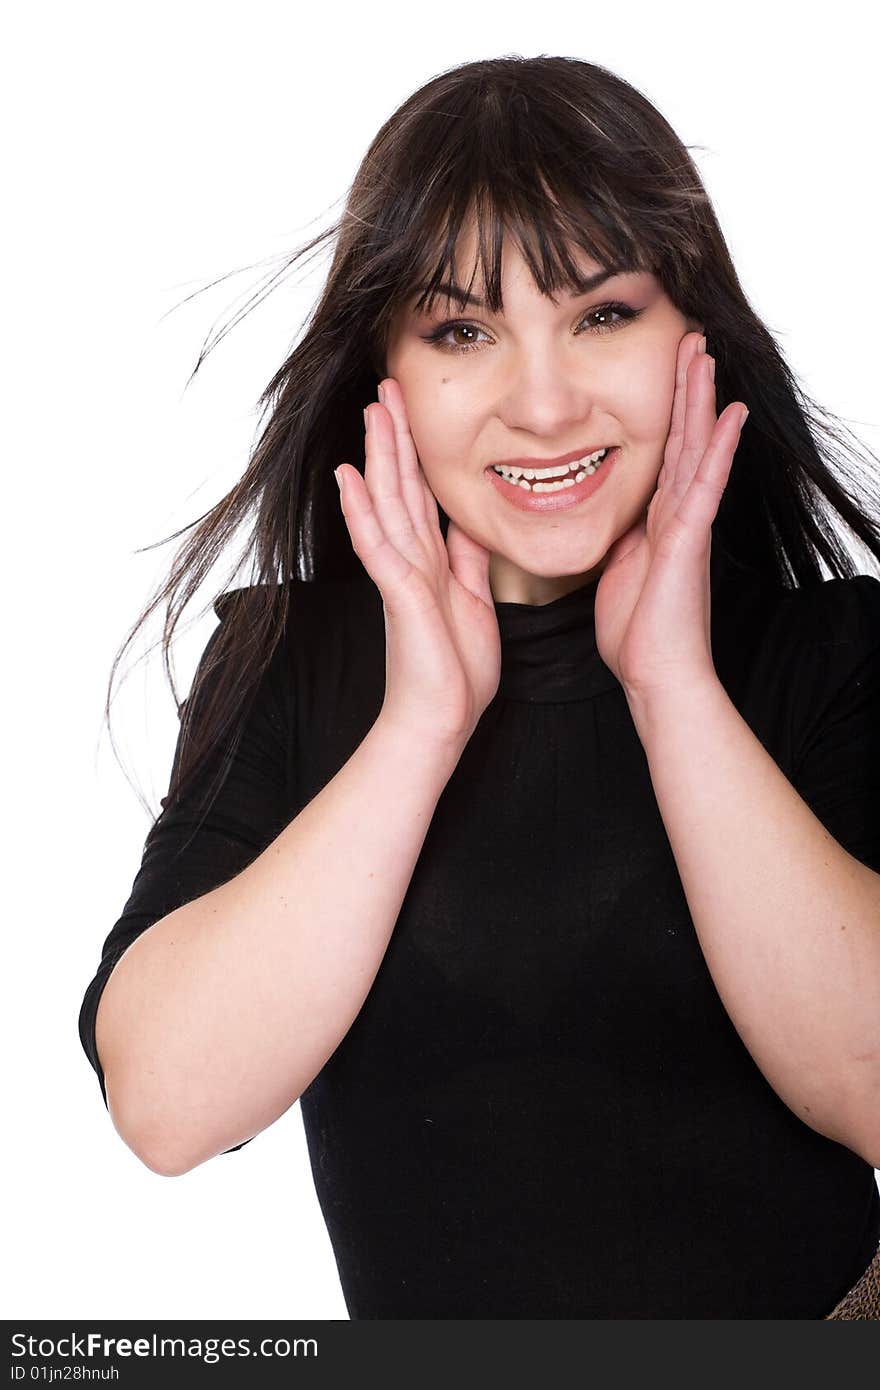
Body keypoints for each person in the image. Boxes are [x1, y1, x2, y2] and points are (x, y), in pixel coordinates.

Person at [78, 54, 880, 1319]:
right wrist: (421, 721)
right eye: (463, 331)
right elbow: (167, 1105)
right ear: (383, 371)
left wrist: (671, 683)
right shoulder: (291, 661)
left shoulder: (829, 654)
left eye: (603, 315)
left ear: (696, 338)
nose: (545, 403)